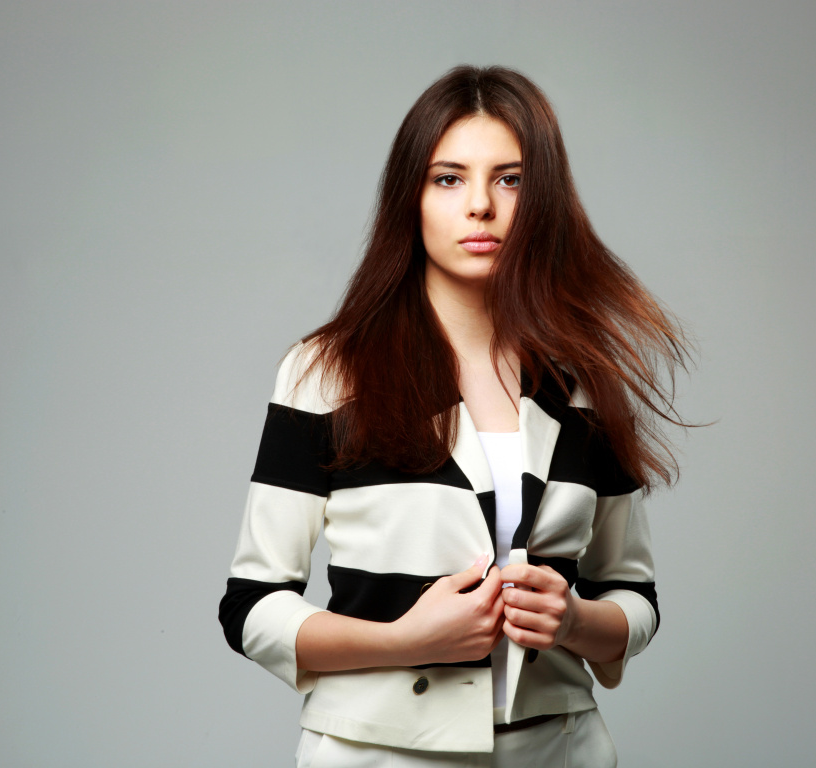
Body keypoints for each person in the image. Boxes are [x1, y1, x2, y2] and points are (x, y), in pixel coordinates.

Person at [219, 65, 689, 767]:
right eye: (447, 178)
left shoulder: (585, 382)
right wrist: (405, 640)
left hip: (558, 750)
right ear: (409, 197)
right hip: (376, 752)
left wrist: (574, 619)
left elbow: (633, 594)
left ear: (544, 201)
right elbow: (252, 607)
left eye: (510, 179)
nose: (480, 206)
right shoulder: (328, 373)